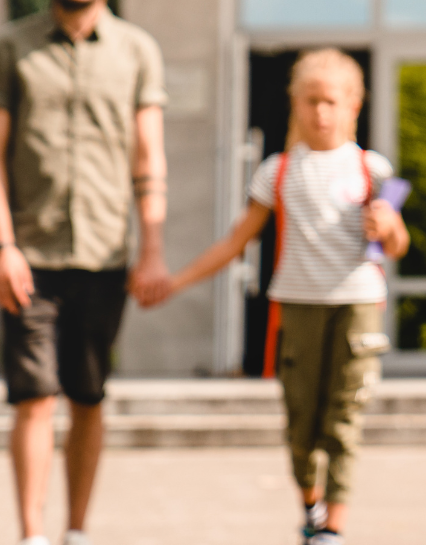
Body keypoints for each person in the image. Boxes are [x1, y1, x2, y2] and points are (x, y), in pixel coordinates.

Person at [156, 49, 408, 543]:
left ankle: (333, 528)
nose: (321, 112)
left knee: (344, 416)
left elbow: (394, 246)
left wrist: (390, 226)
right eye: (310, 101)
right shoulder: (277, 170)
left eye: (331, 101)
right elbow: (236, 241)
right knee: (301, 421)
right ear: (295, 103)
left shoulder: (372, 169)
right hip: (297, 304)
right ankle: (311, 509)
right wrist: (176, 281)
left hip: (356, 305)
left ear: (353, 104)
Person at [0, 0, 169, 545]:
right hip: (29, 252)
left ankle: (76, 531)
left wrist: (152, 252)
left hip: (105, 252)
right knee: (33, 395)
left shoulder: (137, 50)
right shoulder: (12, 47)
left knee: (87, 394)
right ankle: (32, 535)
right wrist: (2, 246)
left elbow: (149, 158)